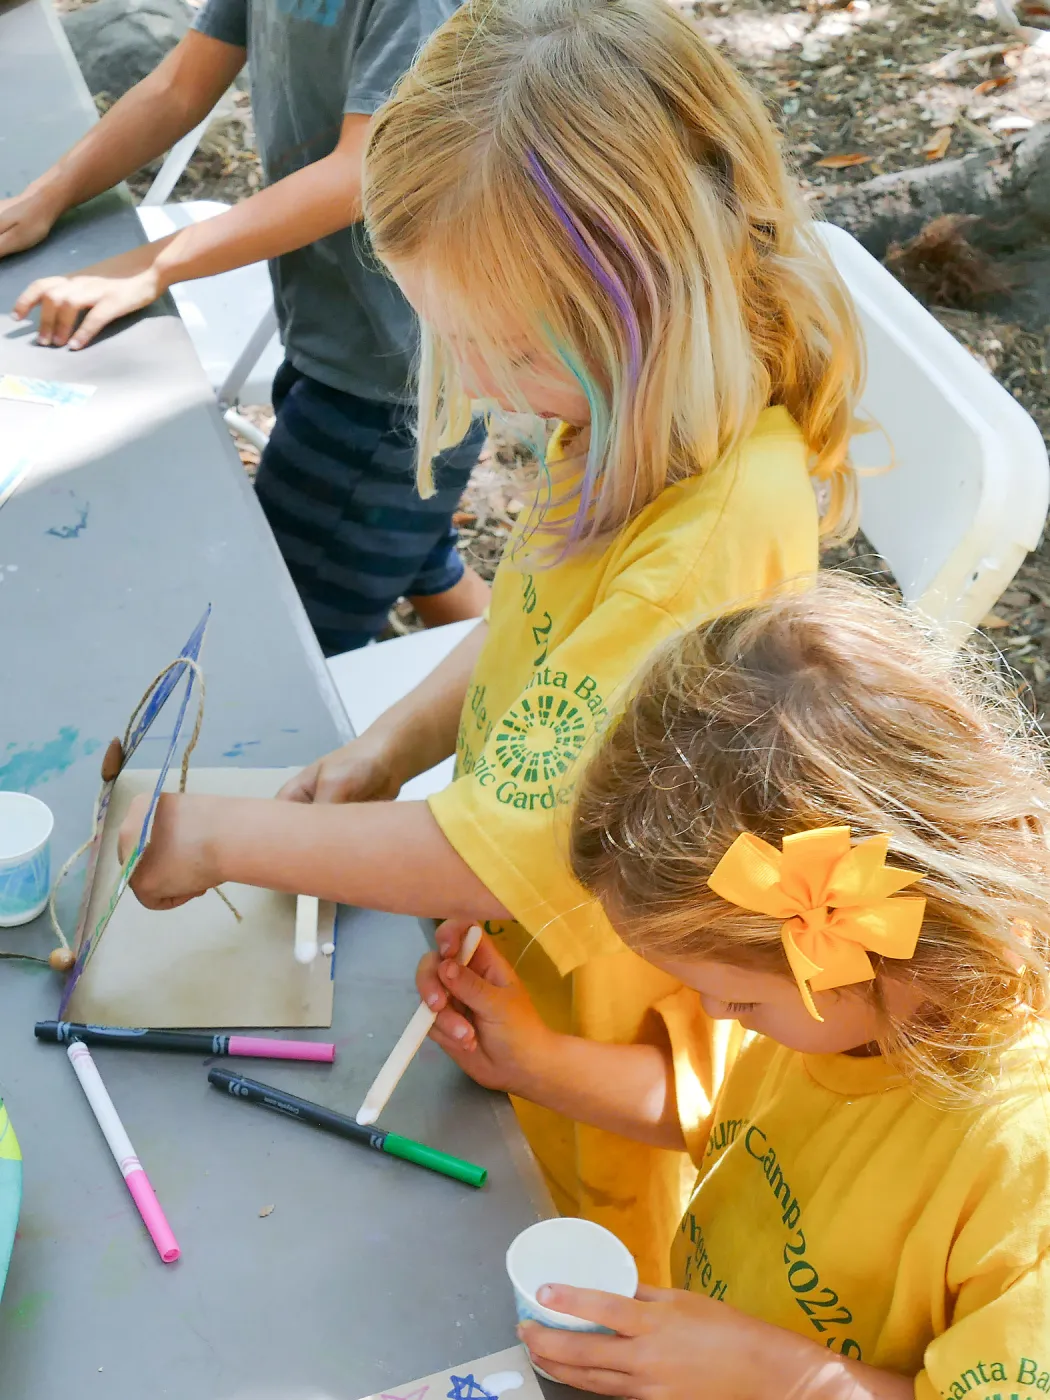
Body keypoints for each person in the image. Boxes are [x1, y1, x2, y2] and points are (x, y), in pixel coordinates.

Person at [112, 0, 862, 1283]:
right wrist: (388, 746)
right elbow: (537, 634)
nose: (485, 380)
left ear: (636, 292)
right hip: (515, 998)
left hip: (596, 1082)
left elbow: (498, 855)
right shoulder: (633, 404)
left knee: (509, 1288)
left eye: (506, 346)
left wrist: (215, 834)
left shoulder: (710, 535)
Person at [417, 574, 1050, 1400]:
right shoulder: (846, 1009)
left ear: (871, 944)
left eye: (741, 1002)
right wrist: (532, 1062)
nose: (719, 1016)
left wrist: (785, 1380)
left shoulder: (1020, 1170)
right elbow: (718, 1111)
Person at [0, 2, 490, 656]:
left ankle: (555, 725)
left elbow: (360, 172)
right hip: (335, 336)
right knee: (408, 550)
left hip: (395, 384)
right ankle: (546, 687)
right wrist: (46, 197)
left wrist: (154, 267)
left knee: (284, 644)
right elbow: (180, 87)